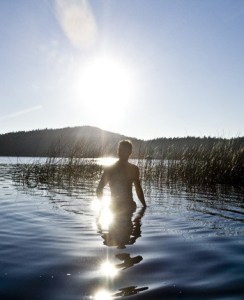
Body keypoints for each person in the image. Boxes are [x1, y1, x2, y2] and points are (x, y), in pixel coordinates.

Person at [96, 140, 146, 210]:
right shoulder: (110, 169)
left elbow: (138, 189)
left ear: (130, 152)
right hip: (115, 207)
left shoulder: (134, 169)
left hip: (129, 206)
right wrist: (102, 207)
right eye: (120, 150)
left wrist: (144, 206)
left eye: (124, 151)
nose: (121, 153)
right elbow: (99, 189)